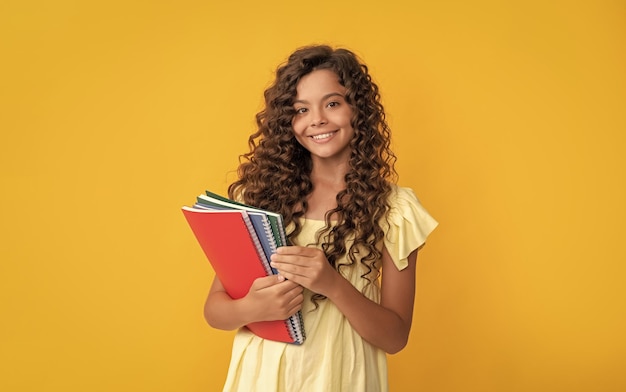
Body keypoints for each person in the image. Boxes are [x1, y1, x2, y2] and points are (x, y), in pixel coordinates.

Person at [203, 45, 438, 392]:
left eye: (332, 103)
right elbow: (214, 310)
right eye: (301, 109)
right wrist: (252, 307)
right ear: (288, 122)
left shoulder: (394, 210)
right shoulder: (260, 199)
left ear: (357, 109)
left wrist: (332, 284)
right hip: (263, 377)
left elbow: (395, 337)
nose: (317, 119)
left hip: (342, 376)